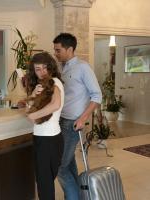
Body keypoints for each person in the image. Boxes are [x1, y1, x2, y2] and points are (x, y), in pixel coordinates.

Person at [53, 33, 102, 200]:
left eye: (58, 50)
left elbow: (97, 96)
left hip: (73, 124)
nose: (56, 53)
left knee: (60, 167)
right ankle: (77, 196)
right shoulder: (63, 68)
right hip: (61, 121)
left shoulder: (83, 67)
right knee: (69, 164)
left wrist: (82, 118)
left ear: (70, 49)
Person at [26, 52, 64, 200]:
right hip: (46, 138)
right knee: (45, 182)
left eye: (45, 67)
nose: (42, 72)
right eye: (38, 69)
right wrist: (34, 94)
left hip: (48, 139)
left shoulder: (54, 82)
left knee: (44, 183)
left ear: (51, 67)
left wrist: (33, 116)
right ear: (33, 71)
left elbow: (56, 105)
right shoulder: (43, 85)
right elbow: (29, 107)